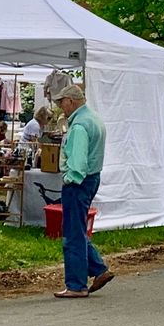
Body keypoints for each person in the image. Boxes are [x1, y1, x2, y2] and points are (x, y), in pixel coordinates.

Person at [51, 84, 113, 298]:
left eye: (62, 102)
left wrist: (70, 179)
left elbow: (78, 163)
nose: (61, 107)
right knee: (77, 228)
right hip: (92, 178)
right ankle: (99, 269)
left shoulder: (78, 126)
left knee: (72, 234)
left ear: (70, 100)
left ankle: (76, 285)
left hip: (79, 182)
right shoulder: (94, 119)